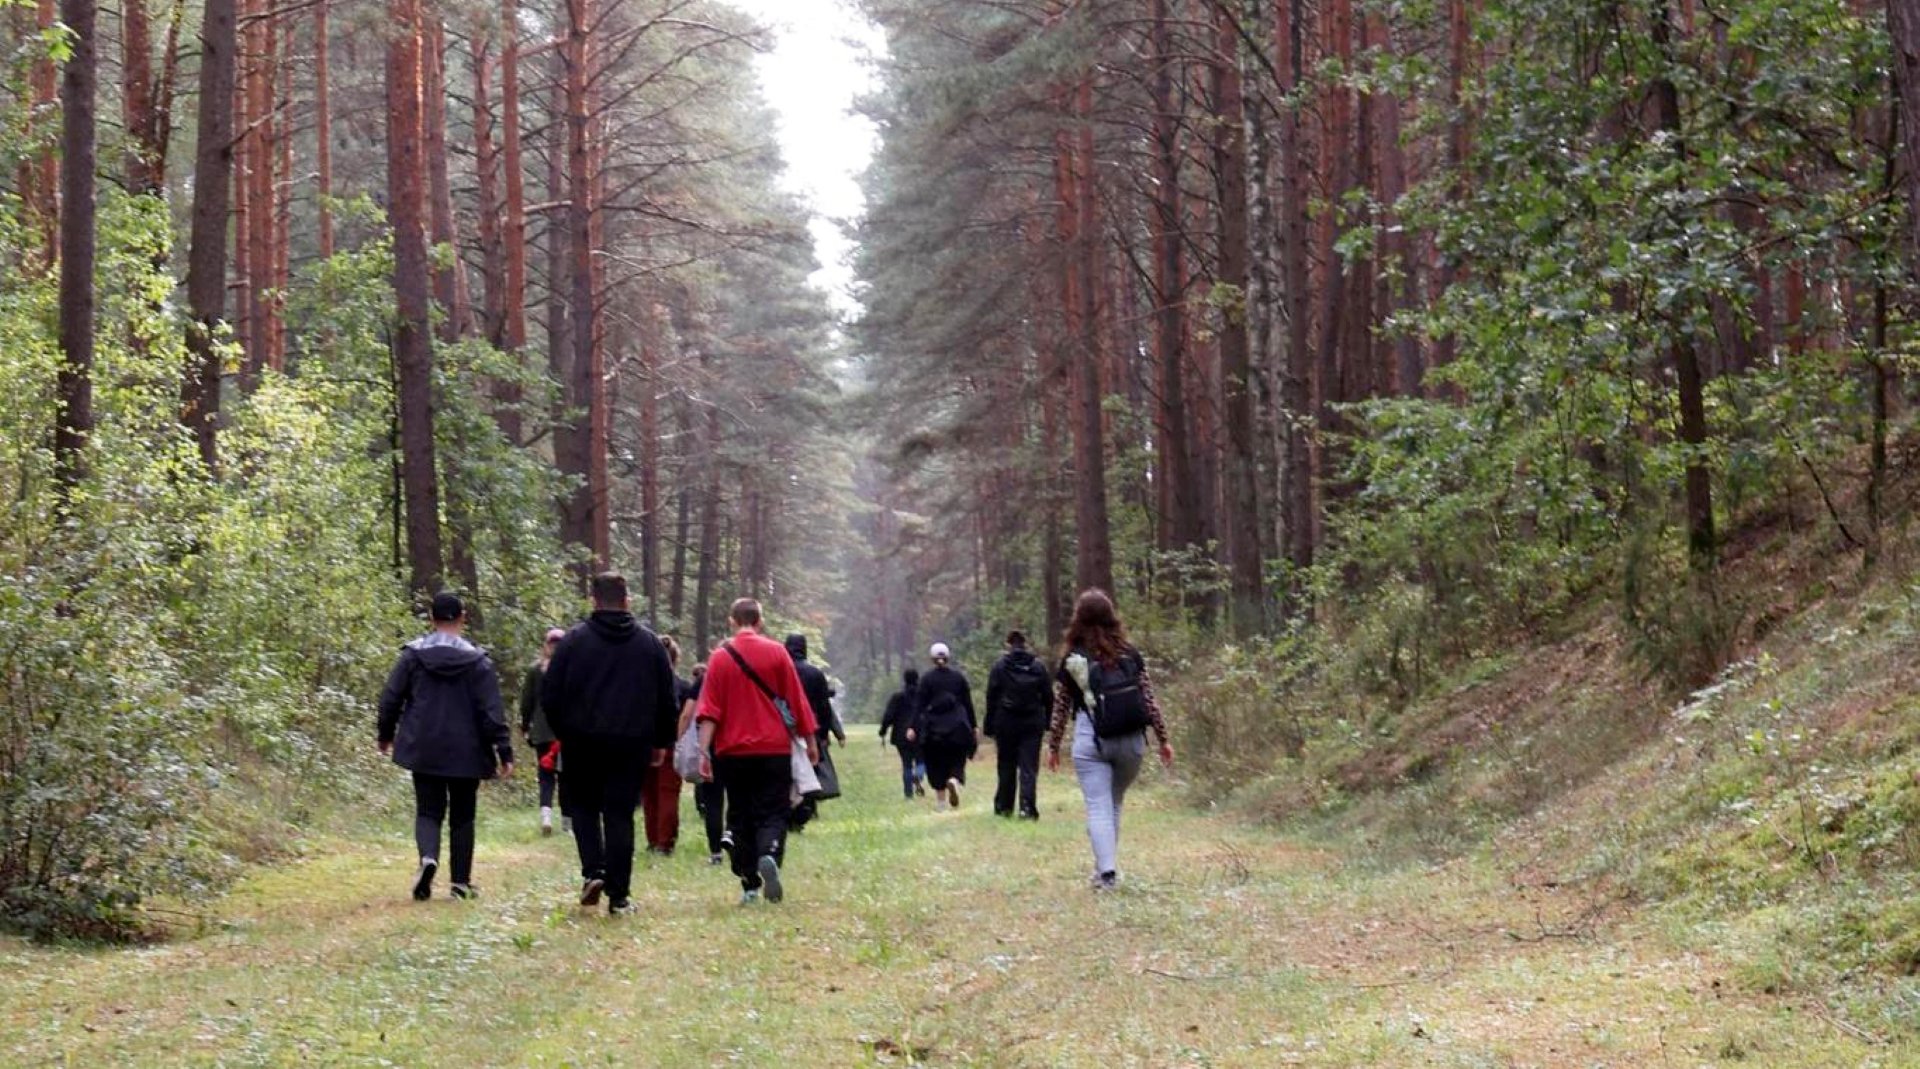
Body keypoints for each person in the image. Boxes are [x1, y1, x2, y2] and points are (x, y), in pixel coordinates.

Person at [541, 573, 678, 916]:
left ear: (594, 600)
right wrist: (661, 740)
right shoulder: (649, 645)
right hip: (631, 743)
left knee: (585, 808)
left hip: (581, 742)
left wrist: (565, 731)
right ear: (627, 600)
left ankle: (593, 872)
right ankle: (618, 896)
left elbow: (550, 696)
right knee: (619, 815)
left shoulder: (572, 643)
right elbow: (667, 698)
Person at [377, 592, 514, 901]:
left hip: (423, 744)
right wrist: (503, 750)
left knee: (428, 809)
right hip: (467, 749)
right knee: (463, 814)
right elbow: (491, 711)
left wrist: (385, 734)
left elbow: (391, 698)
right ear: (462, 617)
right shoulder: (477, 661)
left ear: (431, 617)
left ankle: (428, 858)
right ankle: (460, 883)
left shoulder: (412, 656)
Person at [1045, 589, 1175, 891]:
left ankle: (1107, 874)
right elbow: (1149, 699)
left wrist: (1054, 746)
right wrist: (1163, 739)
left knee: (1098, 805)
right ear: (1111, 615)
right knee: (1113, 804)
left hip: (1092, 739)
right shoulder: (1129, 653)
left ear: (1078, 618)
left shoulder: (1073, 658)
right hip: (1132, 740)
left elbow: (1061, 707)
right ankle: (1105, 869)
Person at [695, 598, 818, 904]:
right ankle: (770, 853)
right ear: (760, 621)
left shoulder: (720, 657)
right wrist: (811, 741)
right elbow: (795, 701)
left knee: (740, 815)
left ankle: (749, 884)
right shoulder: (777, 652)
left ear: (731, 621)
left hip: (733, 751)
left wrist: (702, 752)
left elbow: (710, 710)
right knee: (774, 810)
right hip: (774, 748)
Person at [985, 630, 1051, 820]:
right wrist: (1047, 721)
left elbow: (991, 696)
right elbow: (1048, 696)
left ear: (1008, 644)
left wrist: (989, 724)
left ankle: (1004, 807)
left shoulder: (1000, 666)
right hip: (1032, 722)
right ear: (1025, 644)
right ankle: (1027, 808)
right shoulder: (1038, 666)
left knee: (1006, 765)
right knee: (1029, 767)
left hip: (1005, 721)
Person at [784, 633, 846, 831]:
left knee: (787, 772)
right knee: (812, 769)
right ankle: (806, 809)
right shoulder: (815, 673)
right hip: (812, 728)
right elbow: (824, 706)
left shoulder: (781, 671)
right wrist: (825, 733)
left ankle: (790, 809)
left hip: (784, 728)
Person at [910, 642, 976, 811]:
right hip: (957, 727)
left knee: (936, 764)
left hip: (934, 730)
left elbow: (919, 706)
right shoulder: (959, 678)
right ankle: (954, 779)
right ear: (947, 657)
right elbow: (968, 704)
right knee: (957, 759)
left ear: (932, 659)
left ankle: (941, 803)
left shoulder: (926, 679)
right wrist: (974, 726)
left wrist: (912, 727)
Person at [677, 664, 730, 865]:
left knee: (713, 801)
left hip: (709, 744)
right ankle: (735, 838)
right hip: (737, 743)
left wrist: (680, 741)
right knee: (740, 799)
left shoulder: (705, 680)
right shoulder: (742, 677)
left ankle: (716, 853)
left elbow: (687, 714)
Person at [640, 636, 686, 856]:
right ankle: (665, 842)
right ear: (676, 659)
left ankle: (652, 839)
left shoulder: (642, 684)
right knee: (668, 794)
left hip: (644, 742)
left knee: (649, 794)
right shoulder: (683, 686)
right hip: (671, 743)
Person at [519, 627, 568, 836]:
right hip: (566, 732)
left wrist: (525, 725)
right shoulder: (571, 669)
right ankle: (568, 824)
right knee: (566, 777)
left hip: (541, 731)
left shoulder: (534, 670)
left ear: (546, 645)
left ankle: (546, 817)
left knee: (546, 776)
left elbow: (526, 701)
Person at [878, 669, 924, 800]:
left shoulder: (897, 697)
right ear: (917, 679)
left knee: (906, 764)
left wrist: (883, 730)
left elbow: (889, 715)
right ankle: (919, 775)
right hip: (920, 734)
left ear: (904, 680)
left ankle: (908, 795)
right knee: (922, 760)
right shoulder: (922, 696)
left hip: (901, 736)